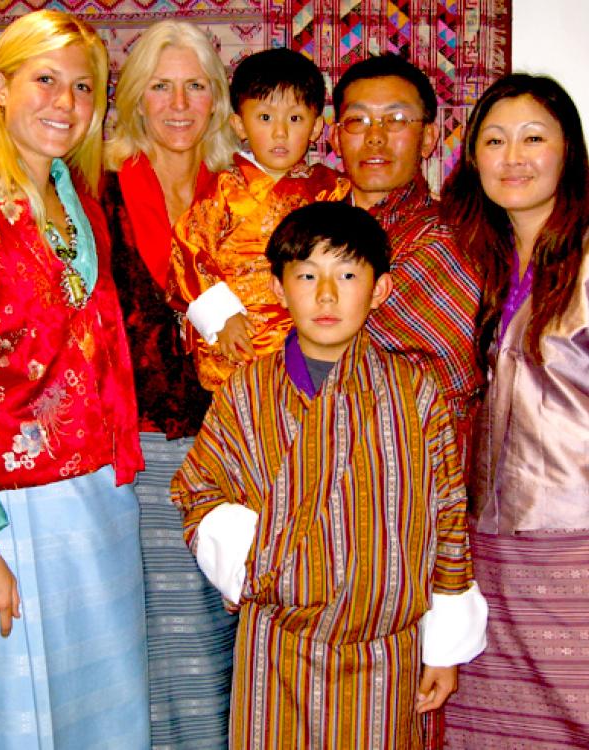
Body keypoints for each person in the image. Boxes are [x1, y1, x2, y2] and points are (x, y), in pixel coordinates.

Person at [171, 201, 488, 750]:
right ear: (277, 287)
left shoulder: (415, 392)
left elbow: (447, 516)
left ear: (381, 290)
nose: (325, 296)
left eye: (346, 276)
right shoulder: (247, 394)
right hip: (276, 649)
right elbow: (200, 491)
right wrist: (249, 566)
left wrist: (443, 646)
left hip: (387, 654)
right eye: (307, 276)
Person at [0, 10, 149, 749]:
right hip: (11, 511)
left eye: (83, 87)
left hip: (100, 492)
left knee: (102, 706)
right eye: (44, 79)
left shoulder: (81, 203)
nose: (65, 102)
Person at [101, 20, 239, 749]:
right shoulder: (98, 190)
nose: (179, 103)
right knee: (159, 631)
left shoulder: (244, 191)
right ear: (135, 99)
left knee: (228, 624)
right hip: (140, 449)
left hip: (238, 450)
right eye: (161, 85)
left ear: (216, 99)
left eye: (195, 85)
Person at [441, 74, 589, 749]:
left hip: (574, 542)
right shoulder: (478, 259)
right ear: (472, 158)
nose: (514, 156)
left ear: (569, 151)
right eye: (494, 141)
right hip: (488, 545)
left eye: (534, 138)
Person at [329, 53, 483, 471]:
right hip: (316, 467)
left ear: (429, 137)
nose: (375, 137)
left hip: (426, 468)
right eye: (357, 121)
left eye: (396, 119)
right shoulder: (304, 229)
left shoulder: (455, 240)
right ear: (335, 137)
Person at [167, 47, 350, 391]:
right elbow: (189, 251)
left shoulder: (331, 190)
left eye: (295, 119)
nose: (280, 133)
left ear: (315, 127)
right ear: (239, 124)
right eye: (265, 118)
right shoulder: (223, 190)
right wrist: (220, 317)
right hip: (240, 333)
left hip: (309, 332)